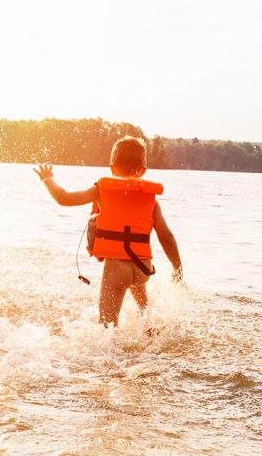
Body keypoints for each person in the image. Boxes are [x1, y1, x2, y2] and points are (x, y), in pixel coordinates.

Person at [34, 136, 183, 326]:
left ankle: (112, 353)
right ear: (143, 170)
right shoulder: (151, 201)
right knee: (142, 307)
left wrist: (48, 179)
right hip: (143, 268)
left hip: (117, 270)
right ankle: (148, 329)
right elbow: (166, 236)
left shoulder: (100, 191)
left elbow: (64, 198)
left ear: (111, 167)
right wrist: (177, 268)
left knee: (106, 325)